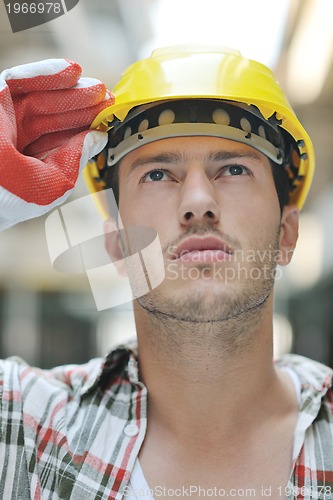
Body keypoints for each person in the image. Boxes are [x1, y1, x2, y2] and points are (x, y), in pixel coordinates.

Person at [0, 46, 332, 500]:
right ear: (118, 245)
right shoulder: (28, 430)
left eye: (233, 168)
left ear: (286, 234)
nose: (198, 202)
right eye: (158, 174)